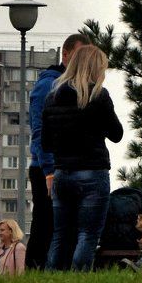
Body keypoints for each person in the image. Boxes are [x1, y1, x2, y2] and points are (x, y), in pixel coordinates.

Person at [41, 44, 124, 271]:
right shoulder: (98, 96)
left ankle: (53, 279)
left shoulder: (52, 98)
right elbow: (117, 135)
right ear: (95, 69)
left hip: (62, 174)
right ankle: (79, 278)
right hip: (92, 172)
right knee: (87, 234)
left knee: (60, 234)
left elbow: (46, 143)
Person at [26, 32, 89, 269]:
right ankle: (34, 271)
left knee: (63, 226)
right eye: (80, 55)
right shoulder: (49, 84)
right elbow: (40, 130)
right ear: (66, 53)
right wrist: (49, 171)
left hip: (67, 167)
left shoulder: (73, 85)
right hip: (47, 168)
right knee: (44, 224)